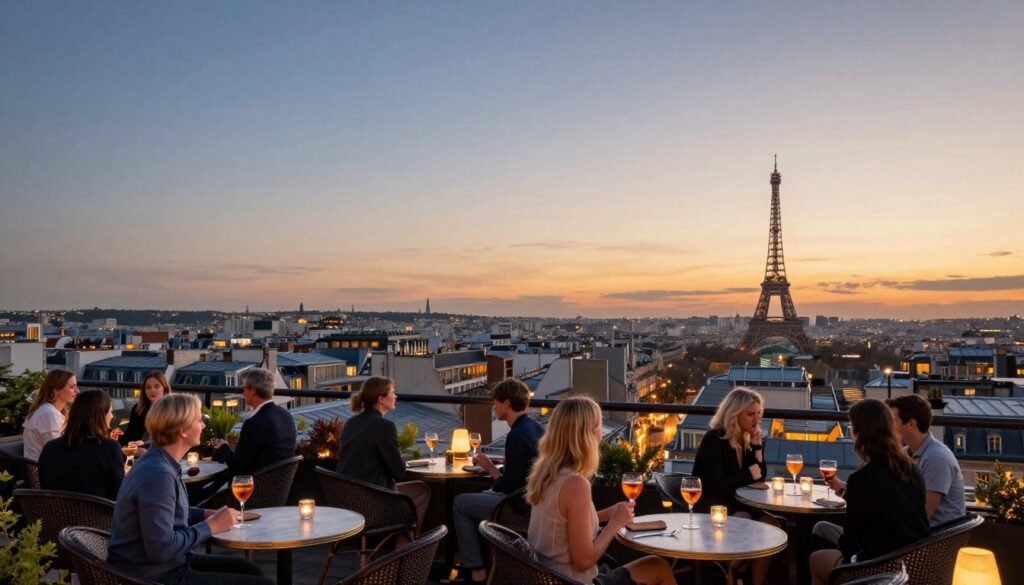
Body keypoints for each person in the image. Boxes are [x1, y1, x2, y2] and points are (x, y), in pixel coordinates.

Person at [108, 394, 272, 585]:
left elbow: (166, 512)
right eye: (198, 419)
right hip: (152, 576)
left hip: (164, 564)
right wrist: (212, 526)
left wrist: (206, 514)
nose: (203, 426)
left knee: (249, 570)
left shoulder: (156, 461)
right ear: (182, 431)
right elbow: (161, 549)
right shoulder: (158, 475)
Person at [526, 396, 675, 585]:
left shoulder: (547, 473)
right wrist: (614, 524)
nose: (600, 433)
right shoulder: (576, 484)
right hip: (572, 579)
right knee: (659, 566)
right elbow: (583, 561)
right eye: (598, 425)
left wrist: (607, 514)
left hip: (545, 576)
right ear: (587, 434)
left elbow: (564, 524)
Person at [809, 399, 929, 585]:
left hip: (879, 569)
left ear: (857, 432)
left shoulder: (862, 478)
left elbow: (851, 542)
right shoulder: (911, 469)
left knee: (816, 559)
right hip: (914, 564)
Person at [453, 378, 545, 583]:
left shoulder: (516, 436)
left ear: (507, 403)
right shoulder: (536, 427)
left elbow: (507, 486)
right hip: (535, 505)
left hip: (518, 510)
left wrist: (490, 467)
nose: (494, 406)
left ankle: (475, 569)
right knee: (480, 497)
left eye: (496, 402)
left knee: (460, 504)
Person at [692, 387, 778, 585]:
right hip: (714, 506)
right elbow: (717, 486)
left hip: (737, 503)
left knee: (773, 524)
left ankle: (748, 576)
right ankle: (732, 571)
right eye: (750, 414)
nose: (756, 419)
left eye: (759, 413)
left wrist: (757, 447)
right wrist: (748, 475)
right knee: (746, 520)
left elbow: (760, 474)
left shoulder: (746, 438)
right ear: (734, 414)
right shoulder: (714, 439)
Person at [335, 376, 431, 531]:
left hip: (346, 500)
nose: (396, 396)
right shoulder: (384, 426)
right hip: (372, 503)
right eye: (392, 392)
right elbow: (398, 472)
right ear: (381, 398)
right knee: (422, 490)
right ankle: (405, 544)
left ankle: (398, 542)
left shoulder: (351, 423)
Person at [206, 368, 297, 494]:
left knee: (201, 493)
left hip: (253, 492)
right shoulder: (286, 415)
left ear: (252, 390)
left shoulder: (254, 423)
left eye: (244, 388)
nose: (243, 393)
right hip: (280, 490)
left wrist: (224, 448)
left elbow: (239, 469)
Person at [886, 394, 966, 527]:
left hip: (937, 535)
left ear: (911, 424)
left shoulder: (936, 459)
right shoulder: (907, 453)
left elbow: (922, 515)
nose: (889, 426)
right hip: (919, 529)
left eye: (894, 420)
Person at [38, 389, 125, 499]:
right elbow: (119, 493)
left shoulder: (50, 448)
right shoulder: (109, 448)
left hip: (55, 509)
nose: (112, 416)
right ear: (101, 415)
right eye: (110, 412)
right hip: (98, 510)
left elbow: (44, 486)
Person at [23, 369, 79, 460]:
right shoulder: (48, 414)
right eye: (72, 387)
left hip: (47, 463)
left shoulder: (49, 411)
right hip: (41, 466)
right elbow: (55, 451)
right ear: (56, 390)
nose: (77, 391)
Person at [120, 371, 172, 446]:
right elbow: (130, 435)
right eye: (148, 387)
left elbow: (169, 438)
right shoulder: (138, 409)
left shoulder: (172, 410)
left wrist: (144, 444)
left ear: (165, 389)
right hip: (137, 448)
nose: (152, 390)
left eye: (156, 386)